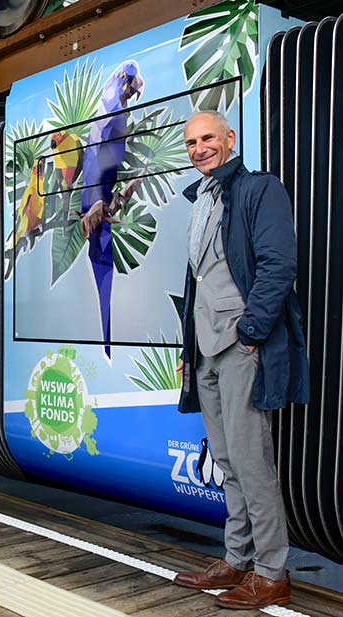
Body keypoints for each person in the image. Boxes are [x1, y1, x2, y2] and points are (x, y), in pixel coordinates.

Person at [173, 111, 309, 609]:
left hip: (240, 344)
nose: (199, 148)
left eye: (208, 138)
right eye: (191, 142)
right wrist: (190, 352)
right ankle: (236, 559)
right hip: (205, 349)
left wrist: (250, 334)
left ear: (230, 140)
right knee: (228, 461)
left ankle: (271, 571)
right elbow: (198, 283)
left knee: (252, 462)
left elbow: (279, 266)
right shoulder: (203, 198)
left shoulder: (259, 189)